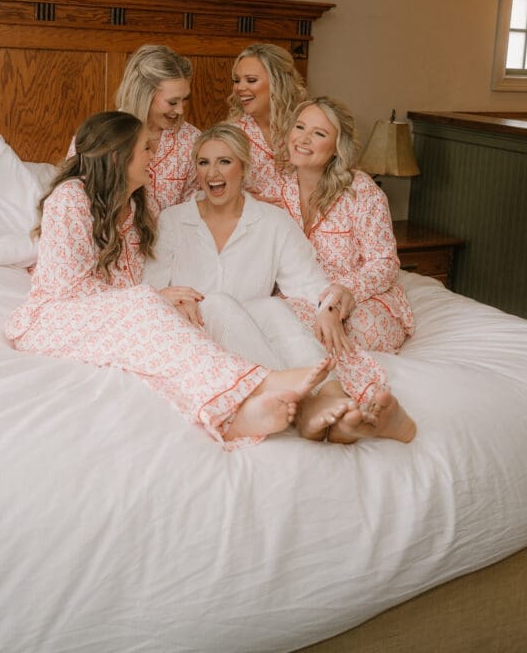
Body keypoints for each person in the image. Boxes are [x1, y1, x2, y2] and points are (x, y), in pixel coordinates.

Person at [5, 111, 332, 449]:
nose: (154, 156)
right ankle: (263, 382)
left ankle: (233, 418)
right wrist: (151, 299)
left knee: (169, 344)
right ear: (118, 156)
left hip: (116, 318)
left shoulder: (139, 205)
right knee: (150, 307)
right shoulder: (71, 197)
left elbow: (137, 282)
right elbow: (67, 289)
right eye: (146, 149)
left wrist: (159, 301)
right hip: (56, 318)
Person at [143, 122, 416, 444]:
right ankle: (304, 407)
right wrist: (172, 298)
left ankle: (333, 395)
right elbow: (149, 291)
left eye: (224, 161)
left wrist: (330, 307)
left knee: (273, 307)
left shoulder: (272, 222)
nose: (212, 172)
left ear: (244, 167)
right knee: (216, 302)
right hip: (195, 334)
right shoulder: (173, 220)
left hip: (247, 335)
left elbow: (310, 286)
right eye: (203, 162)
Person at [281, 97, 414, 355]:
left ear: (337, 147)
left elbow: (384, 263)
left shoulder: (362, 192)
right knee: (283, 325)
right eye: (300, 127)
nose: (303, 139)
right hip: (302, 296)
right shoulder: (277, 189)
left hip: (359, 297)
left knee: (360, 328)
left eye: (319, 133)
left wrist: (342, 292)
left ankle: (351, 375)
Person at [67, 45, 200, 212]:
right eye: (172, 102)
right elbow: (74, 200)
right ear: (144, 94)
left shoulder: (193, 140)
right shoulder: (99, 135)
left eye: (185, 99)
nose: (180, 110)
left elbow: (197, 208)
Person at [228, 42, 308, 203]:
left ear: (277, 82)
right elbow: (210, 188)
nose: (239, 88)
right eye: (236, 80)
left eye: (251, 80)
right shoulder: (230, 135)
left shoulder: (307, 125)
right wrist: (241, 199)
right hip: (256, 217)